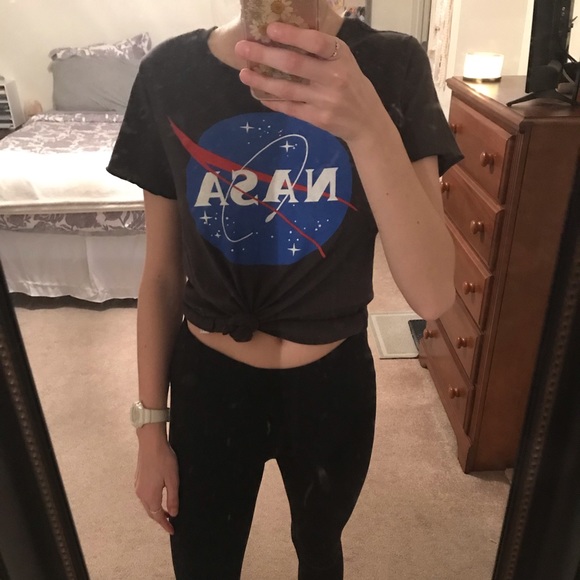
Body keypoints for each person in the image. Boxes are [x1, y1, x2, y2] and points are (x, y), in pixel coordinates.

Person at [107, 1, 463, 578]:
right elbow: (162, 274)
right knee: (202, 561)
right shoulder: (168, 73)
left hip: (332, 386)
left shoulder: (391, 63)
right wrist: (150, 427)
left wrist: (366, 122)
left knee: (320, 551)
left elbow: (433, 295)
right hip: (208, 384)